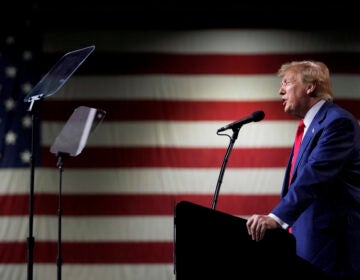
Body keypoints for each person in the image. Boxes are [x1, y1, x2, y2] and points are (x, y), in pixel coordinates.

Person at [245, 60, 360, 279]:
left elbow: (313, 176)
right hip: (306, 248)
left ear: (310, 86)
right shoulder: (310, 127)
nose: (280, 90)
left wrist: (276, 218)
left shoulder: (338, 123)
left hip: (332, 252)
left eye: (287, 83)